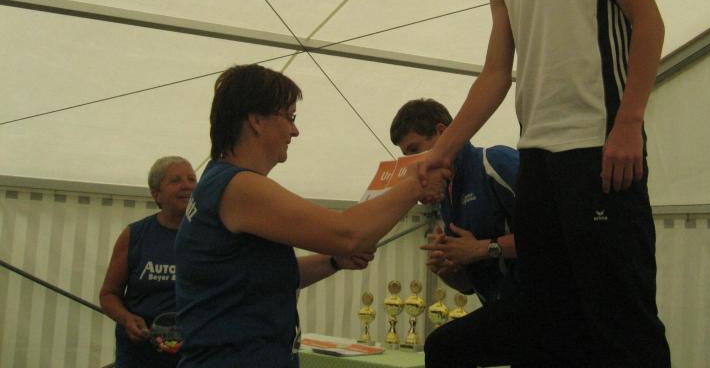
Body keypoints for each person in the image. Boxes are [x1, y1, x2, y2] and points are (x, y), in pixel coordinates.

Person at [419, 0, 671, 367]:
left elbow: (649, 20)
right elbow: (494, 76)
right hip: (537, 159)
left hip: (598, 149)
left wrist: (629, 122)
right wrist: (440, 150)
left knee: (622, 314)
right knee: (548, 316)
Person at [173, 64, 449, 367]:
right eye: (290, 117)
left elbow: (266, 276)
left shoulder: (219, 182)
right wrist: (417, 183)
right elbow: (347, 233)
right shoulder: (239, 187)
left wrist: (333, 261)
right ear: (256, 121)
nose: (295, 131)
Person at [390, 98, 519, 305]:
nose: (413, 162)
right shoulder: (445, 193)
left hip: (544, 304)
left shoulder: (494, 162)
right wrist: (447, 269)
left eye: (414, 149)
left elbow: (555, 233)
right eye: (406, 155)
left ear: (442, 132)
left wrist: (483, 248)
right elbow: (468, 286)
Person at [99, 155, 197, 368]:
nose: (187, 185)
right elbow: (108, 295)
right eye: (176, 180)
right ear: (156, 194)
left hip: (193, 355)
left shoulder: (211, 237)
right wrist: (127, 319)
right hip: (139, 356)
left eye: (191, 179)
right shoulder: (134, 235)